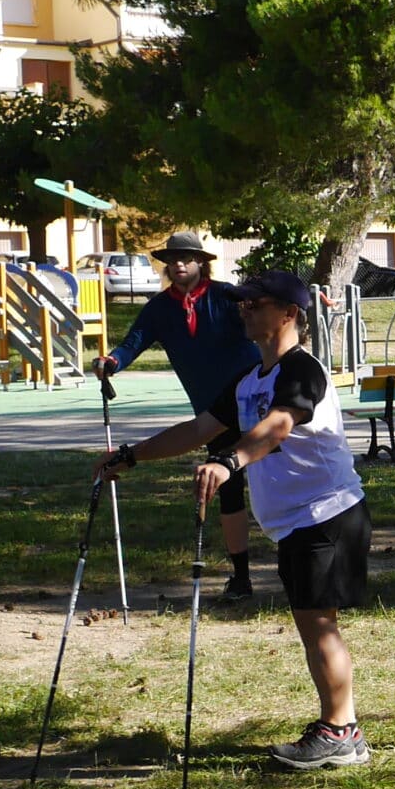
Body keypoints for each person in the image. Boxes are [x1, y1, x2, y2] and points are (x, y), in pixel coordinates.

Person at [94, 271, 373, 771]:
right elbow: (199, 427)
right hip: (296, 522)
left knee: (319, 623)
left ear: (288, 313)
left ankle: (340, 730)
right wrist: (132, 457)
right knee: (313, 624)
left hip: (328, 513)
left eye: (255, 303)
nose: (243, 310)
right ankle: (343, 730)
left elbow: (280, 425)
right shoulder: (249, 380)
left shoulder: (303, 371)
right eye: (242, 303)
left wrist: (230, 460)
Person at [93, 233, 264, 601]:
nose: (179, 264)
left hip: (255, 401)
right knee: (229, 491)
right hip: (212, 413)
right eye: (172, 259)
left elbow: (263, 313)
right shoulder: (159, 309)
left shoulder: (225, 295)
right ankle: (241, 576)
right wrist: (113, 362)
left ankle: (300, 559)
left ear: (202, 262)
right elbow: (132, 342)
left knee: (277, 481)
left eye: (187, 258)